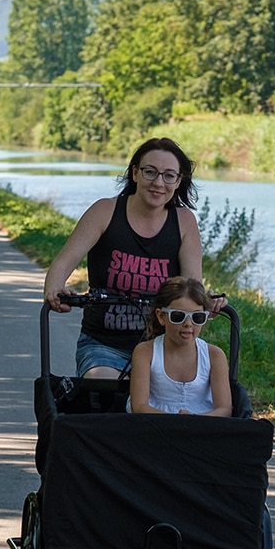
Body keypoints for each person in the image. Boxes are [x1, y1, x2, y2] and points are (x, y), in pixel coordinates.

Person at [43, 138, 217, 378]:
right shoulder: (105, 211)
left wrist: (208, 302)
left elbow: (192, 289)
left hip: (163, 346)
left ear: (178, 181)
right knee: (103, 383)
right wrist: (54, 290)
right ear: (135, 173)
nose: (158, 183)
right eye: (150, 172)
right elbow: (63, 263)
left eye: (168, 176)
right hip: (104, 344)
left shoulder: (184, 222)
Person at [130, 277, 232, 416]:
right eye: (178, 316)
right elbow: (140, 406)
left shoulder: (214, 356)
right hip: (155, 423)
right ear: (161, 316)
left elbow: (224, 409)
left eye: (198, 317)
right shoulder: (146, 352)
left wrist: (192, 421)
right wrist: (177, 422)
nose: (188, 323)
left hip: (203, 424)